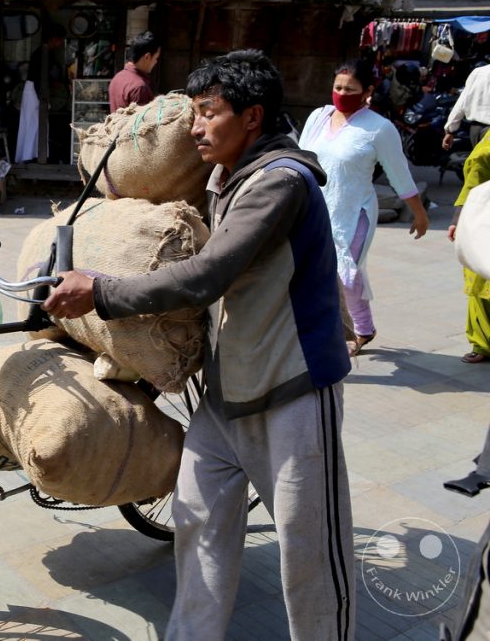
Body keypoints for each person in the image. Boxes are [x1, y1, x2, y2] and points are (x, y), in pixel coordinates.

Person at [44, 49, 354, 640]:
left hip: (290, 394)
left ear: (253, 116)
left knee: (311, 557)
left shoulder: (280, 183)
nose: (194, 128)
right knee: (198, 528)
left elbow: (207, 273)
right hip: (225, 395)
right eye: (193, 114)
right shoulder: (222, 178)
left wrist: (102, 292)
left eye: (208, 113)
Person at [299, 59, 429, 355]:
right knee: (322, 273)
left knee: (346, 275)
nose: (342, 93)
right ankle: (364, 327)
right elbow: (301, 157)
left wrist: (419, 213)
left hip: (354, 213)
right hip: (316, 211)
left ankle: (344, 332)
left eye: (350, 89)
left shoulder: (379, 129)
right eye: (338, 87)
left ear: (367, 91)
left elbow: (399, 174)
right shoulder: (319, 116)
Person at [448, 132, 490, 363]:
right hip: (484, 214)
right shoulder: (487, 144)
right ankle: (482, 343)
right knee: (480, 278)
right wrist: (458, 216)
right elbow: (474, 179)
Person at [15, 22, 66, 163]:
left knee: (35, 125)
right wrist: (42, 99)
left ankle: (34, 155)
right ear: (53, 38)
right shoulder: (41, 53)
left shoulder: (45, 52)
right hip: (34, 91)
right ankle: (27, 157)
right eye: (59, 40)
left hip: (36, 90)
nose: (60, 43)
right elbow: (39, 78)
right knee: (31, 124)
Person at [108, 31, 161, 112]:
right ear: (147, 57)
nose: (156, 62)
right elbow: (144, 123)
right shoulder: (139, 87)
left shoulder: (117, 78)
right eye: (156, 58)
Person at [443, 62, 490, 152]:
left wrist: (450, 130)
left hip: (475, 132)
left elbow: (461, 103)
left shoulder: (478, 72)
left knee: (478, 163)